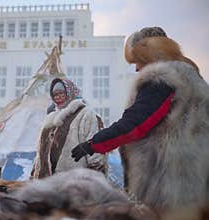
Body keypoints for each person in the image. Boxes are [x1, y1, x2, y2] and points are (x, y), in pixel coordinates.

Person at [71, 27, 209, 210]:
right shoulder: (192, 78)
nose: (136, 68)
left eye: (138, 61)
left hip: (168, 187)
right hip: (197, 181)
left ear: (150, 54)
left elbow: (136, 124)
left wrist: (92, 144)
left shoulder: (162, 79)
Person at [32, 78, 106, 179]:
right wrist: (34, 175)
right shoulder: (49, 119)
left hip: (76, 181)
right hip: (47, 183)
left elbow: (95, 147)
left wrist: (96, 177)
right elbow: (40, 154)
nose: (58, 97)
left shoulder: (86, 114)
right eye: (55, 95)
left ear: (69, 92)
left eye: (61, 93)